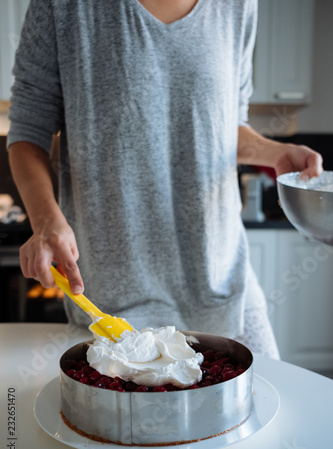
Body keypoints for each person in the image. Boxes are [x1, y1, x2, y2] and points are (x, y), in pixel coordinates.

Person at [8, 0, 322, 359]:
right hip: (114, 305)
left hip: (223, 285)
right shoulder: (64, 7)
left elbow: (223, 125)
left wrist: (275, 154)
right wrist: (46, 220)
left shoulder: (238, 6)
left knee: (271, 405)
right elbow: (28, 133)